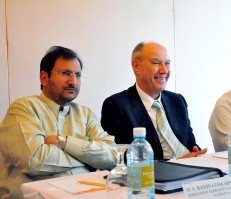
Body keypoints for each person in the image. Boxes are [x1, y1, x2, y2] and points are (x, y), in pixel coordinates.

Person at [0, 46, 117, 199]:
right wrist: (89, 159)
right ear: (44, 77)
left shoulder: (85, 113)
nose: (73, 81)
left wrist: (64, 142)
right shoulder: (24, 107)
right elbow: (35, 161)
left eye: (78, 75)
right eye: (65, 73)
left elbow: (112, 156)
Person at [101, 41, 207, 160]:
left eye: (167, 63)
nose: (164, 70)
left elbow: (189, 144)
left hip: (193, 170)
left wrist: (196, 154)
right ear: (137, 66)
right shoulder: (117, 105)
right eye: (156, 63)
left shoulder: (177, 100)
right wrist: (176, 163)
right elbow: (125, 158)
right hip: (154, 175)